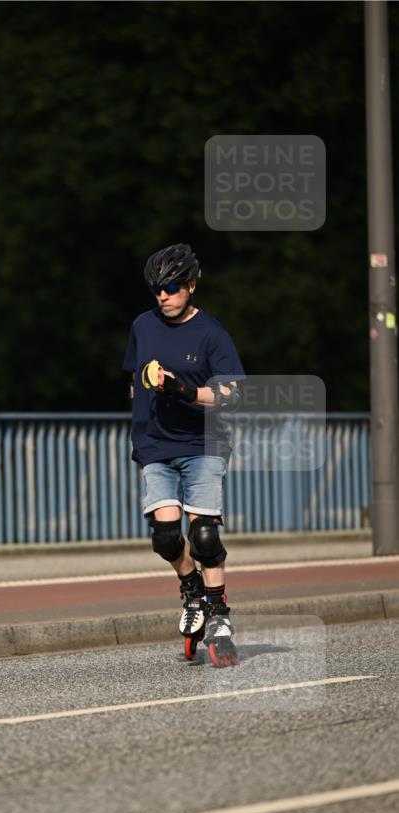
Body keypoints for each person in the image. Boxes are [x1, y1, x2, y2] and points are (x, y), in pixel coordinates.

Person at [122, 243, 245, 667]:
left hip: (202, 445)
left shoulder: (212, 333)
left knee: (204, 535)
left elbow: (232, 396)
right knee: (165, 537)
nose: (163, 295)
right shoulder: (142, 326)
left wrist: (183, 391)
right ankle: (192, 589)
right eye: (156, 289)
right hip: (156, 446)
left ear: (191, 285)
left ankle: (219, 613)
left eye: (171, 287)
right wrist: (142, 422)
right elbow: (134, 380)